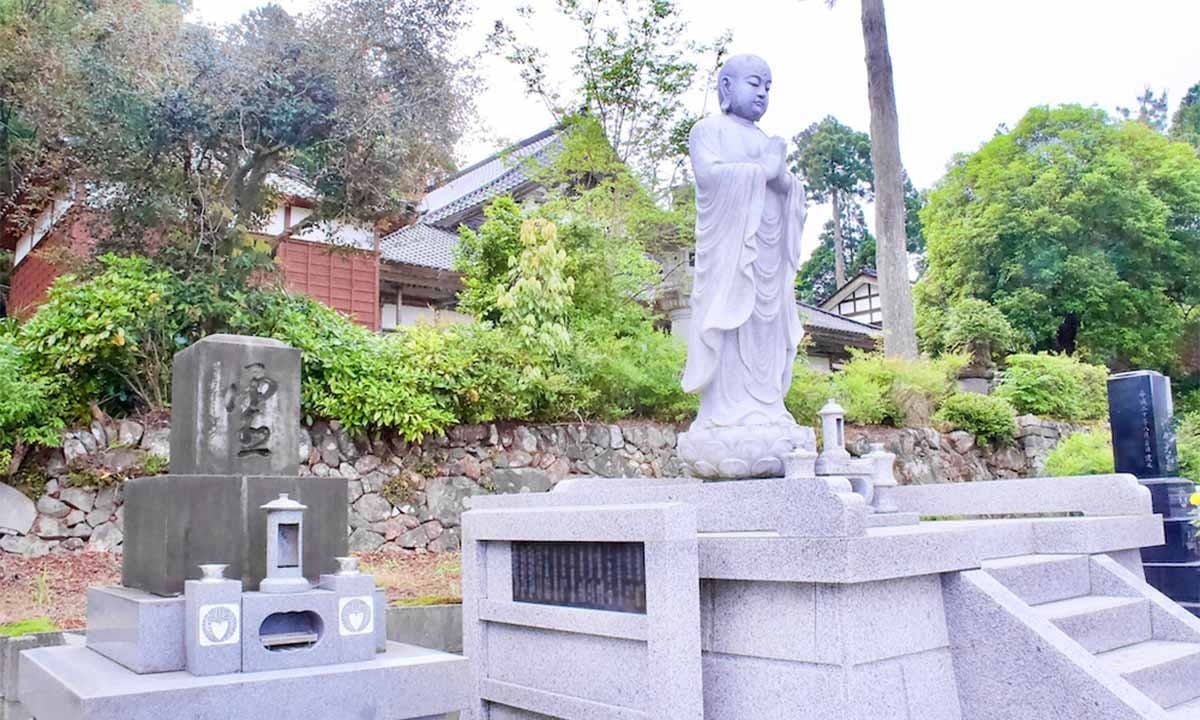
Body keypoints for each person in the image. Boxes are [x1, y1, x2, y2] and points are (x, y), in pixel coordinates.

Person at [678, 54, 811, 478]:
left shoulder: (767, 139)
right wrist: (762, 171)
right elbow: (710, 178)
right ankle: (725, 413)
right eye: (754, 83)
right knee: (731, 328)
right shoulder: (707, 132)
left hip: (767, 264)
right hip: (730, 259)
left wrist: (785, 181)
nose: (762, 93)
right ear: (726, 88)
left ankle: (767, 408)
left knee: (766, 333)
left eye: (769, 86)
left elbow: (789, 194)